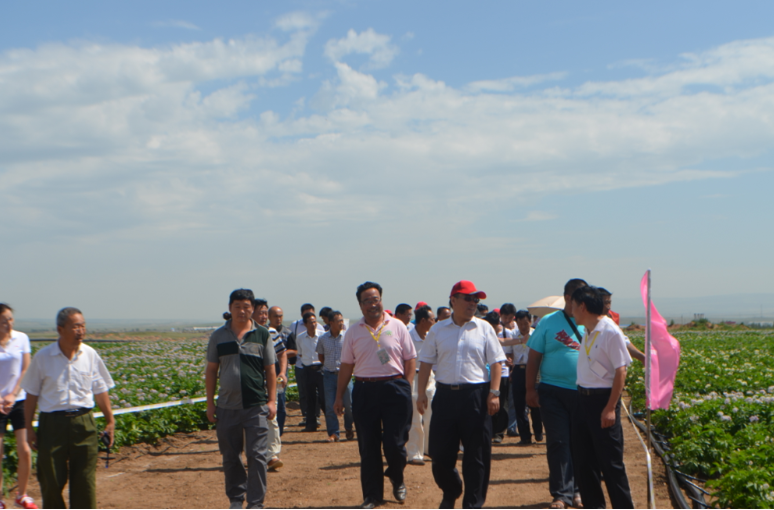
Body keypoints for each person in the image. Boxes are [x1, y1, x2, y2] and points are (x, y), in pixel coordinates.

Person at [417, 281, 505, 509]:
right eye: (468, 298)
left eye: (476, 299)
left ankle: (472, 504)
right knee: (439, 454)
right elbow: (425, 362)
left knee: (477, 456)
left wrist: (494, 393)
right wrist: (421, 393)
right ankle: (451, 490)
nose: (473, 303)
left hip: (476, 396)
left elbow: (497, 362)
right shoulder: (437, 329)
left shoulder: (484, 328)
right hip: (445, 396)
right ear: (453, 300)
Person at [22, 307, 115, 510]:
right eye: (75, 326)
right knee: (51, 479)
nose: (81, 331)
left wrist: (110, 420)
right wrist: (28, 427)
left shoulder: (90, 354)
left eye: (83, 326)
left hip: (84, 423)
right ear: (60, 329)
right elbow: (31, 394)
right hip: (52, 424)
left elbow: (100, 390)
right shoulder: (43, 357)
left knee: (85, 480)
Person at [334, 282, 416, 509]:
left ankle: (397, 477)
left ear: (381, 300)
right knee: (368, 446)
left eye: (376, 299)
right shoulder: (353, 332)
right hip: (365, 390)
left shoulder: (397, 326)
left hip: (395, 389)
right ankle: (372, 496)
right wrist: (339, 396)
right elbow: (346, 365)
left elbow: (410, 358)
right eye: (367, 301)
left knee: (395, 443)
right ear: (360, 305)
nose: (373, 304)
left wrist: (406, 386)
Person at [206, 289, 277, 509]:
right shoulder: (218, 336)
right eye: (237, 306)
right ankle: (236, 499)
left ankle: (255, 503)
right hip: (227, 406)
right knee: (230, 456)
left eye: (246, 307)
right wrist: (210, 403)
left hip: (256, 406)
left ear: (252, 309)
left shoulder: (262, 334)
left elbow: (270, 370)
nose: (242, 311)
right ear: (230, 308)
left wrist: (272, 401)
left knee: (257, 456)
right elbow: (211, 370)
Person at [525, 278, 587, 510]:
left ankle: (578, 491)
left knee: (579, 442)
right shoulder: (548, 322)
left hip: (583, 392)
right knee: (558, 442)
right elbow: (534, 358)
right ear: (568, 298)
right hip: (552, 391)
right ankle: (561, 494)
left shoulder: (591, 321)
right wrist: (530, 389)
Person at [570, 286, 634, 508]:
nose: (571, 310)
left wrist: (610, 407)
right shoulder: (588, 330)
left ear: (583, 307)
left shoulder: (610, 331)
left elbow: (621, 371)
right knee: (584, 462)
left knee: (611, 463)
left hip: (602, 401)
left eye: (573, 306)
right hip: (582, 400)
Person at [0, 304, 37, 509]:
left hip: (19, 400)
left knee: (25, 450)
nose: (8, 324)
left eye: (10, 319)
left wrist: (12, 395)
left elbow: (26, 368)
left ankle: (21, 495)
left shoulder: (21, 338)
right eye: (3, 321)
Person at [253, 300, 286, 473]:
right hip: (251, 385)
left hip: (269, 383)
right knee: (250, 421)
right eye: (260, 312)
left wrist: (283, 372)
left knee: (271, 418)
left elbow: (282, 353)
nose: (264, 316)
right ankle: (253, 455)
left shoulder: (271, 332)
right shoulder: (244, 334)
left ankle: (272, 456)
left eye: (265, 313)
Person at [503, 309, 543, 444]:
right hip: (518, 371)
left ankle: (538, 431)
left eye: (525, 323)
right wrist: (509, 360)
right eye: (520, 324)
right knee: (519, 404)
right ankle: (525, 436)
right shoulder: (513, 335)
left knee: (535, 403)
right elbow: (508, 352)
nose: (523, 326)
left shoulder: (536, 334)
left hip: (534, 370)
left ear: (530, 322)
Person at [316, 311, 354, 442]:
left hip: (346, 376)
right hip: (329, 376)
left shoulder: (347, 337)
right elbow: (321, 356)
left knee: (349, 405)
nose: (341, 323)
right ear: (331, 323)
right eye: (338, 321)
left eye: (342, 320)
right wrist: (329, 366)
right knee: (329, 406)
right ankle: (334, 433)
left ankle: (348, 427)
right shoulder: (323, 338)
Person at [406, 305, 436, 466]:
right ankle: (414, 453)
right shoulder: (408, 337)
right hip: (414, 379)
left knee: (431, 415)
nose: (434, 321)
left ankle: (429, 449)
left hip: (430, 378)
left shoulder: (432, 336)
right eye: (432, 319)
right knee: (416, 418)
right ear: (423, 321)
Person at [290, 304, 324, 428]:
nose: (313, 324)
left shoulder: (322, 335)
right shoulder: (300, 338)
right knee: (309, 397)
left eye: (315, 322)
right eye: (310, 322)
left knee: (323, 397)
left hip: (320, 369)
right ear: (305, 324)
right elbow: (300, 353)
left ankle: (330, 423)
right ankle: (310, 423)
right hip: (307, 369)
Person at [598, 288, 646, 363]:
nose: (608, 307)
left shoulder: (610, 321)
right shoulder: (586, 323)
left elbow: (623, 340)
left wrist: (642, 357)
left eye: (609, 302)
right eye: (606, 303)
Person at [484, 310, 510, 444]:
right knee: (487, 404)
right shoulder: (483, 333)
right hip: (486, 376)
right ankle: (490, 430)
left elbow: (506, 342)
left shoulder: (504, 333)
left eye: (495, 326)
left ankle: (499, 432)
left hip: (502, 374)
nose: (494, 328)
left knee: (502, 404)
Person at [268, 306, 292, 436]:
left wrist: (280, 355)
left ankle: (279, 432)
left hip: (280, 369)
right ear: (269, 317)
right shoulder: (263, 331)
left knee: (281, 400)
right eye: (276, 316)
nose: (279, 319)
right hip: (268, 369)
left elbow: (293, 350)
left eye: (280, 316)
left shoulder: (287, 332)